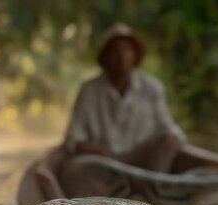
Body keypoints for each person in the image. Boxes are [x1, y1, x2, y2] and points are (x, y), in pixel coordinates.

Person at [62, 23, 187, 172]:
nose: (121, 56)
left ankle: (154, 187)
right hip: (101, 161)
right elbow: (73, 137)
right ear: (105, 57)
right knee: (74, 169)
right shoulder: (89, 90)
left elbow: (167, 127)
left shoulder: (152, 88)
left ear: (135, 55)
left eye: (127, 49)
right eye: (115, 50)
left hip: (141, 159)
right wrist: (96, 151)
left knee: (168, 141)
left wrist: (175, 140)